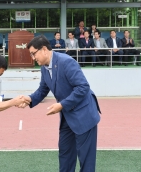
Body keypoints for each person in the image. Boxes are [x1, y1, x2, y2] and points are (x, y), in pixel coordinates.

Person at [18, 35, 101, 172]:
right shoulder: (44, 68)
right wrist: (29, 99)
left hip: (84, 115)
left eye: (34, 54)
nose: (33, 58)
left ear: (44, 49)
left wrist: (61, 105)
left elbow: (83, 87)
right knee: (65, 155)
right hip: (68, 117)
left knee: (86, 161)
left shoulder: (66, 62)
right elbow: (42, 90)